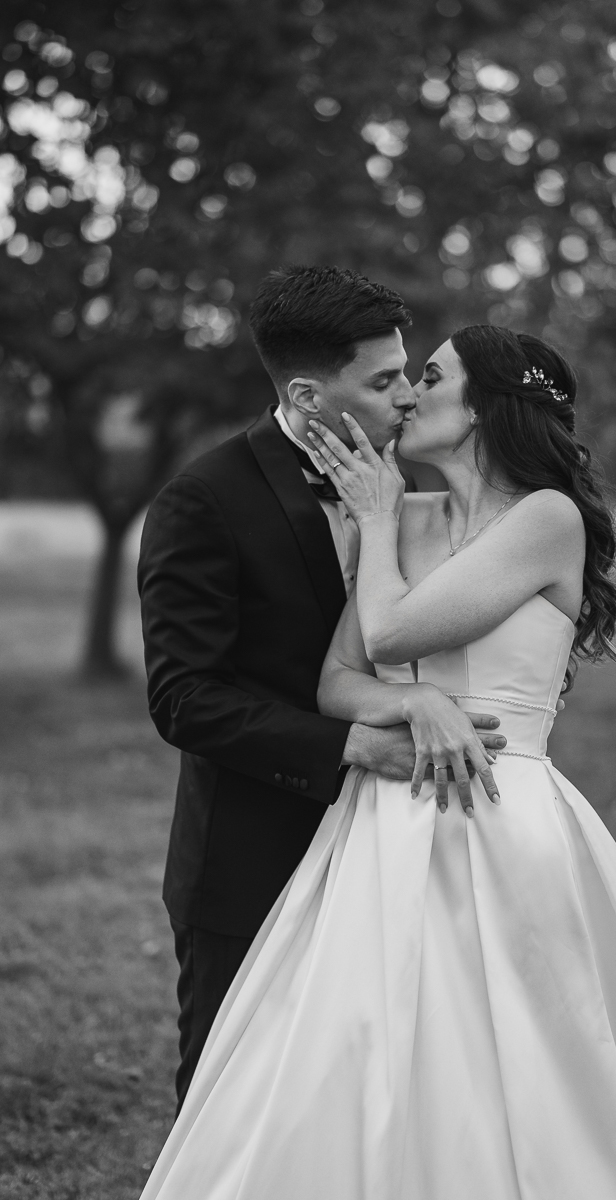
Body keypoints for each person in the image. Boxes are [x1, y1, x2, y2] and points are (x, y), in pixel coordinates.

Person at [140, 325, 616, 1199]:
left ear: (486, 406)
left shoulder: (546, 519)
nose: (410, 395)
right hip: (380, 823)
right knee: (364, 1049)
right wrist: (413, 702)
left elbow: (391, 633)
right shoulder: (406, 519)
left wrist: (374, 522)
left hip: (501, 816)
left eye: (431, 376)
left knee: (533, 1059)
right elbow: (338, 680)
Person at [137, 266, 508, 1110]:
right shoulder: (204, 501)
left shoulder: (414, 492)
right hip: (254, 854)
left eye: (408, 373)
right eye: (382, 382)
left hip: (399, 847)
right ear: (306, 394)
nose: (408, 397)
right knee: (235, 1102)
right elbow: (184, 698)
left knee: (370, 1098)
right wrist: (354, 744)